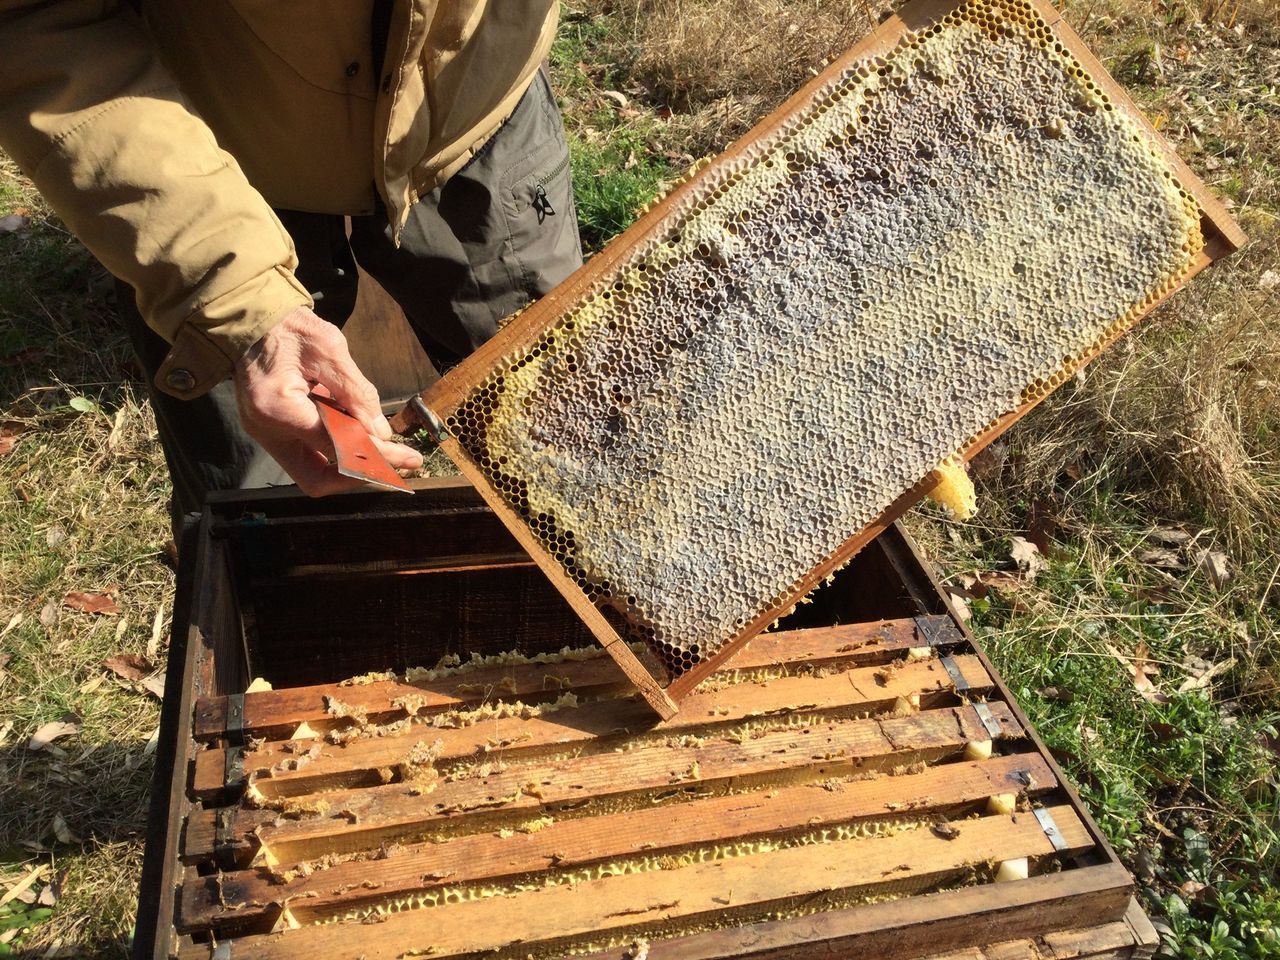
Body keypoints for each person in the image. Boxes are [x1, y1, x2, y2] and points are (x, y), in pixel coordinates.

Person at [0, 0, 583, 523]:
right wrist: (238, 303)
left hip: (475, 122)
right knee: (263, 518)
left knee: (572, 434)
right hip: (203, 158)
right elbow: (37, 22)